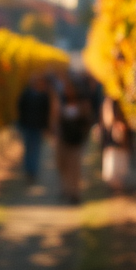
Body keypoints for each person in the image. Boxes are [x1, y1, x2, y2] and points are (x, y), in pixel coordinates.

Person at [52, 76, 92, 204]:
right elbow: (54, 118)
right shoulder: (61, 101)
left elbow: (87, 120)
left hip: (76, 140)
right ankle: (66, 189)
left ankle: (74, 193)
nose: (67, 90)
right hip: (63, 139)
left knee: (75, 167)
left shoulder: (82, 102)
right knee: (62, 165)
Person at [17, 74, 51, 184]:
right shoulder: (26, 94)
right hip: (28, 126)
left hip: (37, 127)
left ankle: (33, 172)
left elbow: (46, 112)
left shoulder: (43, 96)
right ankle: (29, 171)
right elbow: (20, 110)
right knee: (28, 148)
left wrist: (45, 127)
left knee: (35, 149)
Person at [100, 96, 132, 192]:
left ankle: (119, 190)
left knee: (116, 173)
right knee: (112, 174)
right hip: (112, 143)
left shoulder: (116, 101)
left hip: (118, 145)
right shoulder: (109, 101)